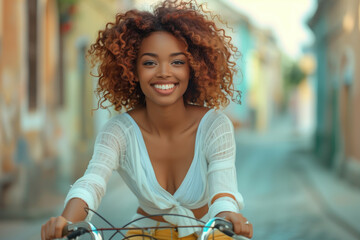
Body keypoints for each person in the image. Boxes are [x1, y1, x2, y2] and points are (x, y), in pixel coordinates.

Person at [41, 0, 253, 239]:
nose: (164, 72)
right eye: (150, 62)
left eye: (177, 62)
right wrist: (66, 219)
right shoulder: (118, 131)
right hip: (143, 234)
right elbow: (92, 181)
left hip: (208, 232)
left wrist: (228, 214)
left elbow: (223, 191)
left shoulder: (215, 126)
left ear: (193, 68)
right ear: (132, 69)